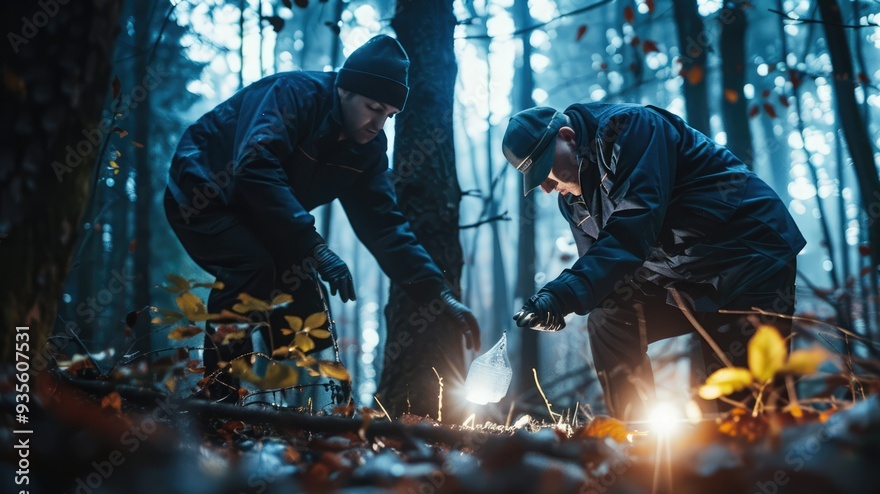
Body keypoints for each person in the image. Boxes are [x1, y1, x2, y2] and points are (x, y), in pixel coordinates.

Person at [164, 35, 480, 401]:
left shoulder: (369, 149)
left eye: (389, 114)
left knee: (305, 302)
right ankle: (217, 397)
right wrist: (315, 246)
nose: (379, 123)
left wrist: (436, 293)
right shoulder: (294, 95)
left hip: (264, 214)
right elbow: (254, 166)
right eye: (373, 107)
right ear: (344, 90)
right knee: (252, 267)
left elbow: (385, 225)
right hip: (201, 191)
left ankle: (299, 408)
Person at [502, 103, 805, 421]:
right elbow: (605, 274)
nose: (548, 188)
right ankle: (635, 436)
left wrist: (563, 293)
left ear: (567, 137)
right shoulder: (574, 203)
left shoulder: (629, 128)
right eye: (537, 181)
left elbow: (636, 222)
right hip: (687, 279)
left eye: (546, 170)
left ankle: (781, 461)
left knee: (749, 406)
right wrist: (565, 300)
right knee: (609, 317)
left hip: (747, 258)